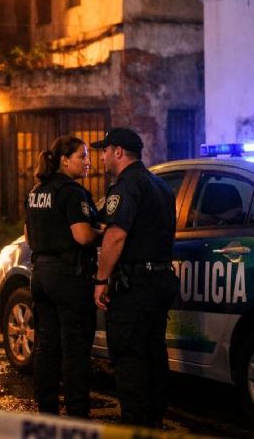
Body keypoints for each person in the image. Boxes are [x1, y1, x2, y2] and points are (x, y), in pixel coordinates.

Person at [91, 127, 179, 428]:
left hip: (135, 286)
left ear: (117, 152)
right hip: (161, 280)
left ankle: (135, 428)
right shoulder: (161, 185)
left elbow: (116, 236)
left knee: (129, 359)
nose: (101, 157)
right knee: (154, 355)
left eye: (104, 150)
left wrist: (101, 281)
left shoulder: (126, 186)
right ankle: (153, 424)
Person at [25, 135, 102, 419]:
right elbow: (82, 236)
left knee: (46, 346)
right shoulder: (72, 193)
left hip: (41, 275)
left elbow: (27, 235)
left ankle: (46, 411)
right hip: (69, 277)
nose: (88, 162)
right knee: (75, 350)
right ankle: (77, 415)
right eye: (82, 156)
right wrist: (103, 233)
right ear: (64, 160)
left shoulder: (36, 191)